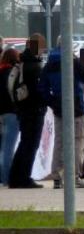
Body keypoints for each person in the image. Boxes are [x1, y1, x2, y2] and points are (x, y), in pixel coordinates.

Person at [40, 38, 84, 189]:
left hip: (59, 109)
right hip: (77, 107)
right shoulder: (72, 62)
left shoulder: (49, 64)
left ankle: (57, 176)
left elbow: (42, 89)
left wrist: (54, 102)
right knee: (76, 142)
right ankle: (74, 176)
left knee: (60, 142)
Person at [7, 34, 47, 189]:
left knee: (24, 144)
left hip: (23, 110)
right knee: (31, 145)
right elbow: (38, 91)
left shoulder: (21, 62)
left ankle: (14, 177)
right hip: (33, 110)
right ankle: (24, 178)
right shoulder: (33, 66)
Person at [0, 48, 21, 185]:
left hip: (2, 113)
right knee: (8, 147)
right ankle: (6, 178)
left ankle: (3, 176)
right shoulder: (12, 74)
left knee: (3, 146)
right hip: (12, 112)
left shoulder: (0, 71)